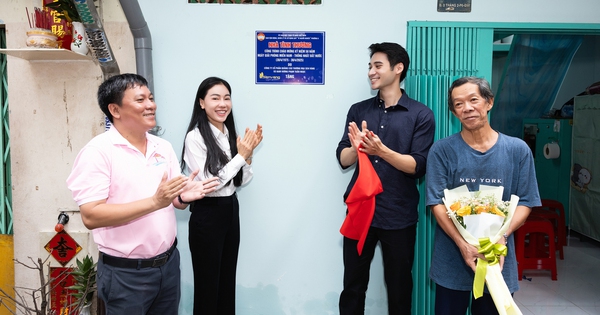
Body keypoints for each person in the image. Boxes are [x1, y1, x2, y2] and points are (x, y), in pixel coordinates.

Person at [66, 73, 220, 314]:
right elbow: (91, 216)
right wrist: (154, 202)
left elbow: (169, 201)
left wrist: (181, 197)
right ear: (115, 110)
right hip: (126, 274)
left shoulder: (163, 147)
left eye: (150, 98)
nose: (151, 105)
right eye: (140, 100)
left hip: (168, 266)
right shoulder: (98, 152)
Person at [426, 76, 541, 315]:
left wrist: (501, 236)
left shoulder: (517, 150)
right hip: (452, 259)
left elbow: (527, 201)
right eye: (458, 104)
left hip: (497, 259)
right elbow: (436, 202)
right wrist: (462, 243)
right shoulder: (442, 150)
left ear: (489, 102)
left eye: (473, 100)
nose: (467, 108)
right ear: (453, 112)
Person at [336, 42, 436, 314]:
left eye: (377, 65)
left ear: (398, 68)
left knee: (399, 288)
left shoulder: (420, 114)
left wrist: (382, 150)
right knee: (353, 286)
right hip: (360, 210)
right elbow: (342, 158)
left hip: (399, 214)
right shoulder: (359, 110)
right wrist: (357, 150)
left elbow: (418, 165)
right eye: (370, 66)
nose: (371, 71)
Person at [181, 76, 263, 315]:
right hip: (207, 213)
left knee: (227, 282)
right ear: (202, 103)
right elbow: (210, 184)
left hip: (230, 210)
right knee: (208, 288)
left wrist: (246, 156)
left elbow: (241, 180)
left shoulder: (229, 134)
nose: (222, 103)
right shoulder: (195, 137)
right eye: (215, 98)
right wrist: (241, 156)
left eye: (227, 98)